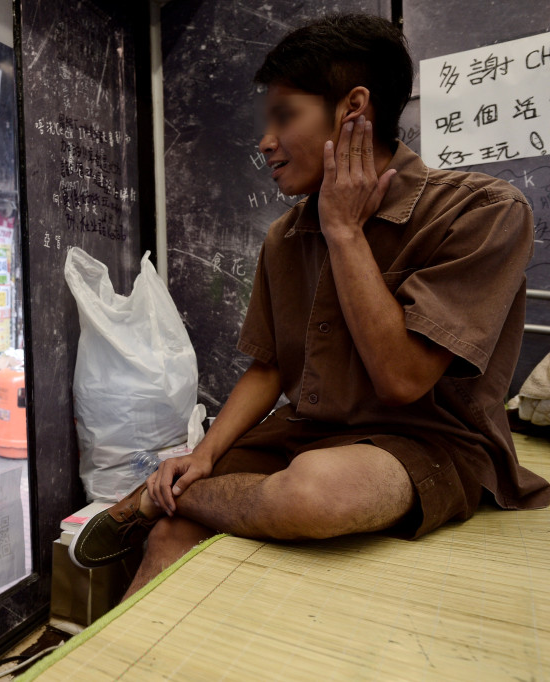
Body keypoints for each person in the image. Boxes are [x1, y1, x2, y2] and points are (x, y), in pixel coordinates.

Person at [69, 13, 550, 598]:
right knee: (170, 534)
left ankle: (151, 499)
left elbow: (402, 380)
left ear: (353, 109)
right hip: (303, 433)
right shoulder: (286, 235)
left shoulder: (483, 211)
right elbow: (269, 367)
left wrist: (344, 232)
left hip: (428, 442)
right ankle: (153, 557)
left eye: (284, 116)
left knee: (315, 493)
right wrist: (204, 454)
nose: (265, 141)